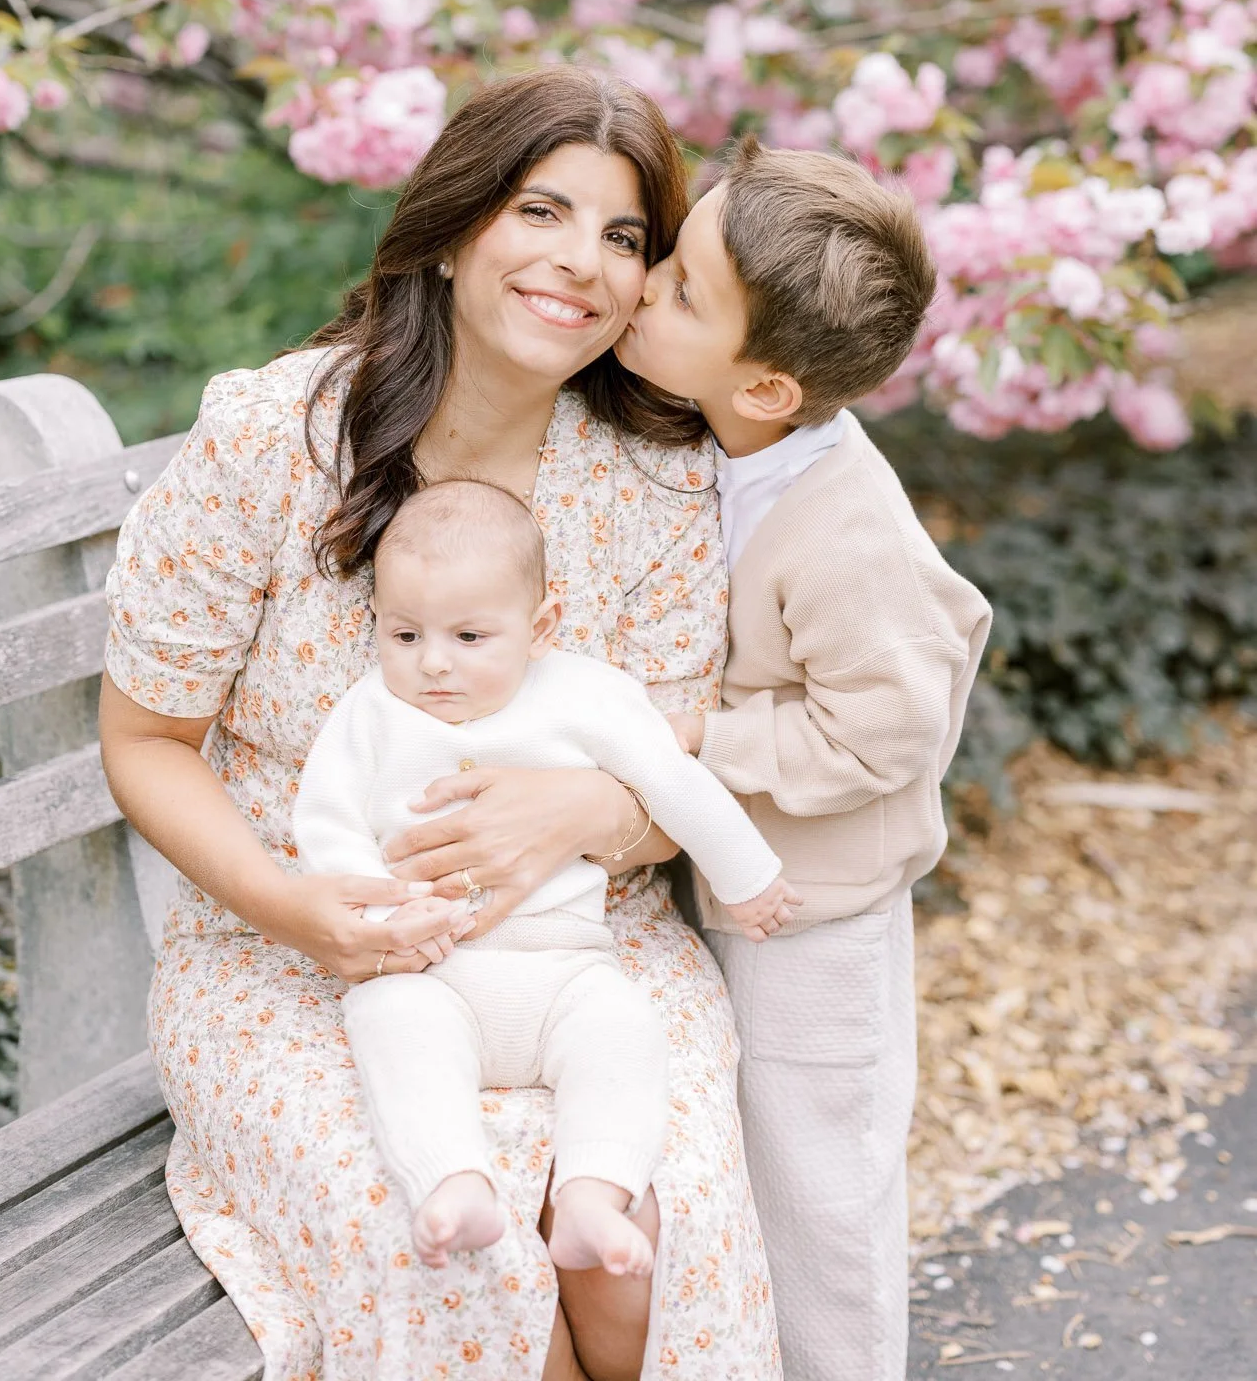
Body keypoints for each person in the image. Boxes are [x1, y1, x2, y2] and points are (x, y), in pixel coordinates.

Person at [98, 71, 782, 1381]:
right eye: (543, 210)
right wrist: (297, 904)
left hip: (591, 951)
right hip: (302, 961)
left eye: (625, 237)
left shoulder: (652, 475)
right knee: (461, 1262)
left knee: (654, 1230)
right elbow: (145, 744)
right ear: (459, 222)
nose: (581, 262)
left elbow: (672, 740)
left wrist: (588, 815)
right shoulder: (273, 443)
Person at [617, 138, 993, 1381]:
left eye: (679, 289)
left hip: (819, 922)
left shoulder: (842, 525)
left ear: (767, 385)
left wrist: (700, 736)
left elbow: (883, 729)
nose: (644, 286)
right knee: (745, 1174)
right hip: (747, 886)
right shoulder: (726, 446)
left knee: (821, 1198)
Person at [294, 478, 795, 1276]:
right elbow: (327, 825)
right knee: (392, 1029)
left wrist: (746, 875)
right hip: (432, 967)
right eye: (404, 635)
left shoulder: (585, 696)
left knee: (624, 1033)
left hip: (564, 966)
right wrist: (385, 917)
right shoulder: (368, 715)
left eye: (468, 636)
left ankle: (594, 1198)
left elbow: (672, 780)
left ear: (541, 628)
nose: (433, 665)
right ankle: (454, 1183)